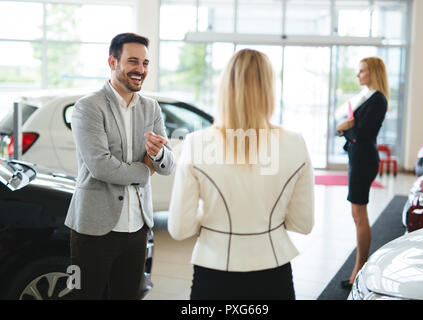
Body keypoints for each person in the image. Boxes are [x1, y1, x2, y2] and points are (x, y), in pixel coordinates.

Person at [168, 49, 314, 300]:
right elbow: (303, 223)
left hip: (214, 271)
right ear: (269, 88)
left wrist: (210, 215)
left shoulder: (196, 143)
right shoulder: (295, 143)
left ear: (225, 88)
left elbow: (180, 228)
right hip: (273, 270)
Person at [65, 33, 175, 299]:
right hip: (93, 229)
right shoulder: (88, 107)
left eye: (145, 63)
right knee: (85, 295)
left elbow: (168, 164)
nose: (140, 70)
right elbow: (101, 166)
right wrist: (145, 170)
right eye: (133, 61)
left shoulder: (151, 108)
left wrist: (158, 155)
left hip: (138, 229)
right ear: (113, 62)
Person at [336, 56, 389, 289]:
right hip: (358, 158)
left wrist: (344, 129)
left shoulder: (378, 100)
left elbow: (362, 134)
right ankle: (359, 267)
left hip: (364, 160)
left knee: (360, 216)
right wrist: (346, 129)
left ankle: (359, 269)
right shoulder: (369, 97)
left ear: (373, 72)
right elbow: (355, 130)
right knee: (357, 215)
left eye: (362, 71)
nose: (358, 75)